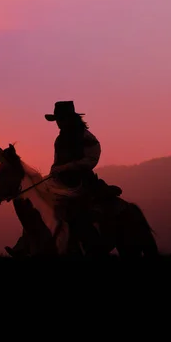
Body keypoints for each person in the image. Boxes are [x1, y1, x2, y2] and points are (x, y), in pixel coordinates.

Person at [45, 101, 106, 256]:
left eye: (61, 119)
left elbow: (91, 159)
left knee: (79, 211)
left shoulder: (86, 137)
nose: (58, 123)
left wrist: (67, 167)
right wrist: (54, 170)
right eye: (57, 119)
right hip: (61, 180)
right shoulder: (59, 140)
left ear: (69, 118)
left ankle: (93, 246)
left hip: (81, 179)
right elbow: (56, 161)